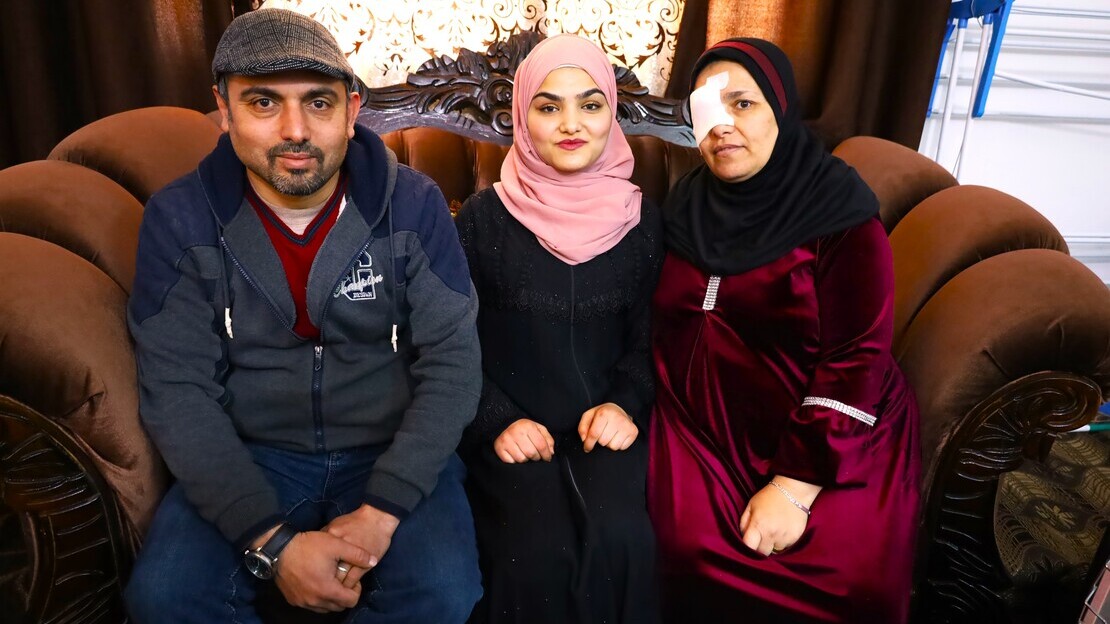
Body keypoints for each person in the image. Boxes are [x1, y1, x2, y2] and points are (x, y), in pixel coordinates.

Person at [123, 8, 482, 623]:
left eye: (318, 103)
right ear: (224, 106)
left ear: (351, 108)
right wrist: (271, 542)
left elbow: (453, 364)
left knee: (443, 594)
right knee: (164, 598)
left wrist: (382, 511)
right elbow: (178, 390)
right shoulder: (179, 218)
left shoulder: (415, 206)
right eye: (263, 103)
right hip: (253, 452)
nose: (295, 130)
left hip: (389, 449)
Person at [647, 38, 922, 623]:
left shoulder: (840, 215)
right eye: (705, 110)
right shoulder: (686, 203)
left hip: (830, 428)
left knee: (849, 580)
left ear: (780, 106)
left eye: (741, 104)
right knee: (682, 550)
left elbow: (857, 357)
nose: (722, 126)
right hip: (700, 427)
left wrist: (796, 487)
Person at [454, 34, 662, 624]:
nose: (571, 124)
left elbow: (653, 336)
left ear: (611, 114)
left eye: (590, 105)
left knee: (623, 541)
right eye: (548, 107)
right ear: (522, 116)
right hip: (509, 433)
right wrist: (497, 420)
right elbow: (452, 345)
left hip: (610, 431)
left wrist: (625, 404)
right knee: (532, 554)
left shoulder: (643, 220)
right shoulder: (482, 220)